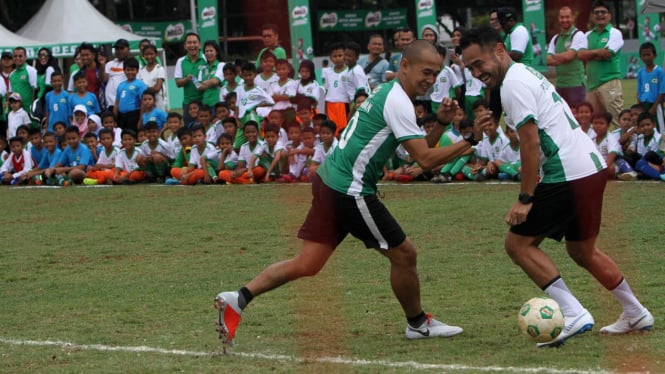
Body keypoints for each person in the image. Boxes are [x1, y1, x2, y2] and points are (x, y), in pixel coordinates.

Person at [214, 40, 488, 347]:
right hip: (350, 190)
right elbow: (424, 160)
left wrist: (439, 122)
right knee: (405, 253)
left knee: (308, 263)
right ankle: (417, 324)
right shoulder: (397, 101)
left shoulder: (390, 96)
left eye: (436, 73)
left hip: (331, 182)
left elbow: (409, 150)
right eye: (426, 71)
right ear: (405, 65)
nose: (430, 79)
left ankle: (238, 298)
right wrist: (472, 140)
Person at [460, 26, 653, 348]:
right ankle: (635, 312)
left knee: (518, 245)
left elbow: (530, 142)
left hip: (569, 172)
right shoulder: (523, 73)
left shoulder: (513, 84)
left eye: (479, 64)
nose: (477, 73)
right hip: (590, 166)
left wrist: (525, 198)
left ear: (498, 50)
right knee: (582, 251)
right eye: (470, 68)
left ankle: (573, 313)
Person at [578, 0, 624, 129]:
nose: (600, 15)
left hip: (609, 82)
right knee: (595, 124)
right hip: (591, 85)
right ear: (592, 16)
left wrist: (590, 54)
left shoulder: (615, 33)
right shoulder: (587, 35)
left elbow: (608, 54)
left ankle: (624, 148)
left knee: (617, 120)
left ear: (609, 15)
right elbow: (580, 55)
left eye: (603, 12)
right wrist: (599, 52)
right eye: (596, 12)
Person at [546, 6, 587, 109]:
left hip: (576, 84)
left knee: (577, 117)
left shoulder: (578, 35)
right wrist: (564, 56)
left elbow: (569, 56)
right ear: (558, 18)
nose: (565, 20)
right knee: (561, 117)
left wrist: (555, 56)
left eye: (567, 17)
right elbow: (547, 60)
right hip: (559, 85)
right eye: (562, 17)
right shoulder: (556, 38)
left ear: (573, 18)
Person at [175, 33, 206, 126]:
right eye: (189, 43)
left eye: (194, 42)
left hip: (204, 101)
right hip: (188, 103)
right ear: (185, 46)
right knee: (189, 131)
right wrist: (186, 79)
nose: (192, 45)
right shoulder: (181, 61)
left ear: (199, 45)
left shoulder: (205, 58)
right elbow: (178, 83)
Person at [636, 42, 665, 134]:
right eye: (643, 55)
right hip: (644, 104)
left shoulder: (659, 71)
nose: (646, 57)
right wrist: (639, 102)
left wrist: (654, 106)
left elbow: (662, 91)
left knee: (659, 127)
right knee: (646, 126)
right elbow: (639, 89)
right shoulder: (641, 72)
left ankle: (662, 145)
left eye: (648, 54)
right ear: (640, 57)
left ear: (655, 55)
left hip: (656, 104)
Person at [321, 43, 350, 132]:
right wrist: (325, 108)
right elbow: (326, 90)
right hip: (330, 105)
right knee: (332, 130)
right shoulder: (328, 72)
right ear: (331, 58)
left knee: (343, 130)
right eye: (335, 56)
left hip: (343, 105)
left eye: (340, 55)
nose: (338, 58)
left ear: (345, 56)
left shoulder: (349, 71)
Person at [114, 58, 147, 130]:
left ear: (137, 71)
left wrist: (140, 120)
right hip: (121, 117)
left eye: (132, 70)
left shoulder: (140, 84)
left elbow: (143, 103)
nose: (130, 72)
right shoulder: (121, 85)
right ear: (124, 70)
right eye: (128, 70)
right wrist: (114, 119)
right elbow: (116, 103)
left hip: (134, 115)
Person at [103, 38, 130, 112]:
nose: (119, 51)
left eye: (122, 48)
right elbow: (104, 79)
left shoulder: (133, 64)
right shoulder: (109, 64)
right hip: (110, 104)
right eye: (117, 49)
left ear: (128, 49)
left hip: (125, 104)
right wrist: (102, 64)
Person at [137, 44, 167, 110]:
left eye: (151, 54)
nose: (149, 56)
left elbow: (157, 88)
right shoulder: (141, 71)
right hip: (146, 105)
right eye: (146, 54)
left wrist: (145, 88)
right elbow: (139, 89)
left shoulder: (159, 69)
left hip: (158, 104)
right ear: (143, 56)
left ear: (156, 54)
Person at [9, 47, 37, 113]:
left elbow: (34, 91)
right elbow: (10, 93)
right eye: (15, 56)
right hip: (16, 111)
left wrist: (33, 109)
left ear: (25, 57)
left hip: (29, 110)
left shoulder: (31, 70)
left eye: (20, 56)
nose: (17, 58)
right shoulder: (11, 74)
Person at [197, 40, 225, 108]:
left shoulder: (221, 65)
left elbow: (215, 81)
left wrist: (203, 83)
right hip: (205, 103)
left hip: (218, 103)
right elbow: (198, 87)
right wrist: (210, 83)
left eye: (211, 51)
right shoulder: (203, 68)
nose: (209, 53)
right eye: (207, 51)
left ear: (216, 52)